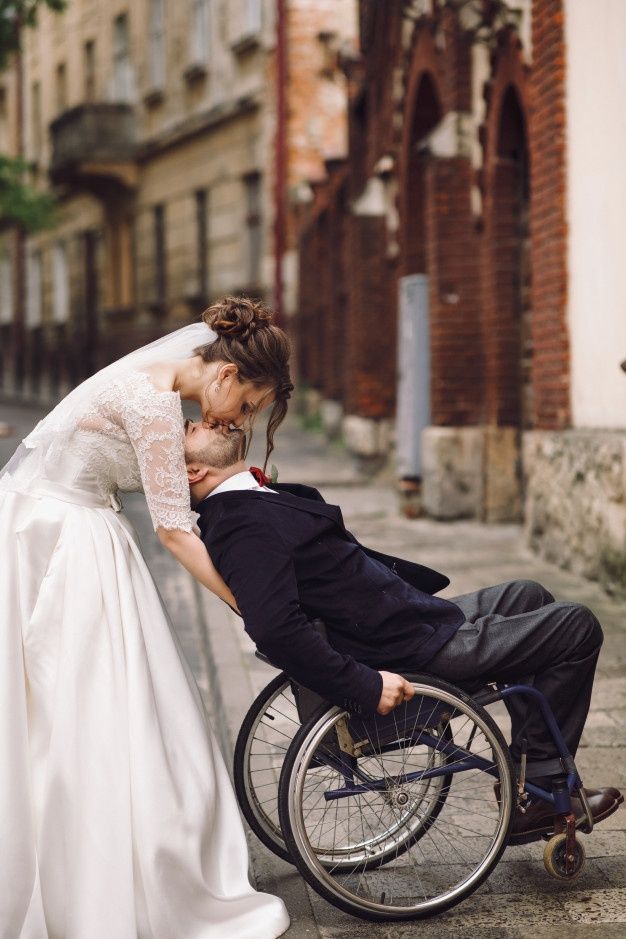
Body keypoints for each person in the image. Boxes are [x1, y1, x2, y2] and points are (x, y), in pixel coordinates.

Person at [0, 298, 292, 939]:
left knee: (61, 709)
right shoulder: (155, 401)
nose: (239, 418)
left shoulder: (157, 387)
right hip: (68, 536)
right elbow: (174, 531)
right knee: (96, 707)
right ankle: (111, 878)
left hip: (53, 520)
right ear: (224, 375)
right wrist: (249, 605)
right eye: (246, 405)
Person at [184, 421, 623, 846]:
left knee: (528, 595)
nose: (210, 420)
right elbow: (275, 629)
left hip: (407, 619)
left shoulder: (244, 501)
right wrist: (365, 684)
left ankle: (534, 775)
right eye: (193, 428)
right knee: (577, 626)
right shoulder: (242, 525)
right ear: (193, 471)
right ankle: (540, 791)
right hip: (406, 650)